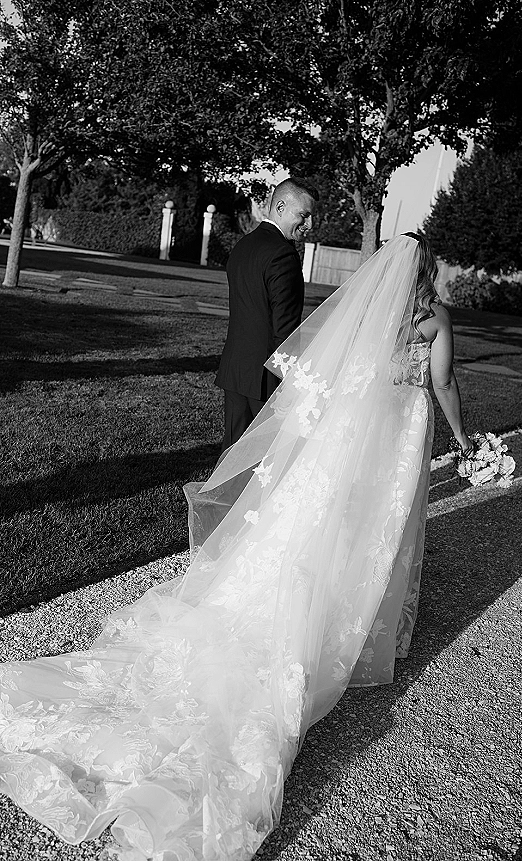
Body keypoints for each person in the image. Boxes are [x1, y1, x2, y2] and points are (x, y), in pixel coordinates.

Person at [0, 233, 472, 861]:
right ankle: (362, 627)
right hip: (398, 430)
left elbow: (328, 377)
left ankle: (306, 605)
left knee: (320, 525)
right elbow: (441, 384)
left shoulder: (363, 312)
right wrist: (466, 439)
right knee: (376, 533)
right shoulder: (432, 319)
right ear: (431, 270)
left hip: (354, 430)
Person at [215, 177, 319, 451]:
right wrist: (290, 384)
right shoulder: (283, 255)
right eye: (304, 215)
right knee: (263, 459)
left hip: (235, 367)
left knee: (234, 451)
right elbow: (284, 329)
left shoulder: (244, 245)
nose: (309, 225)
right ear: (281, 207)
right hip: (265, 377)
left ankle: (225, 495)